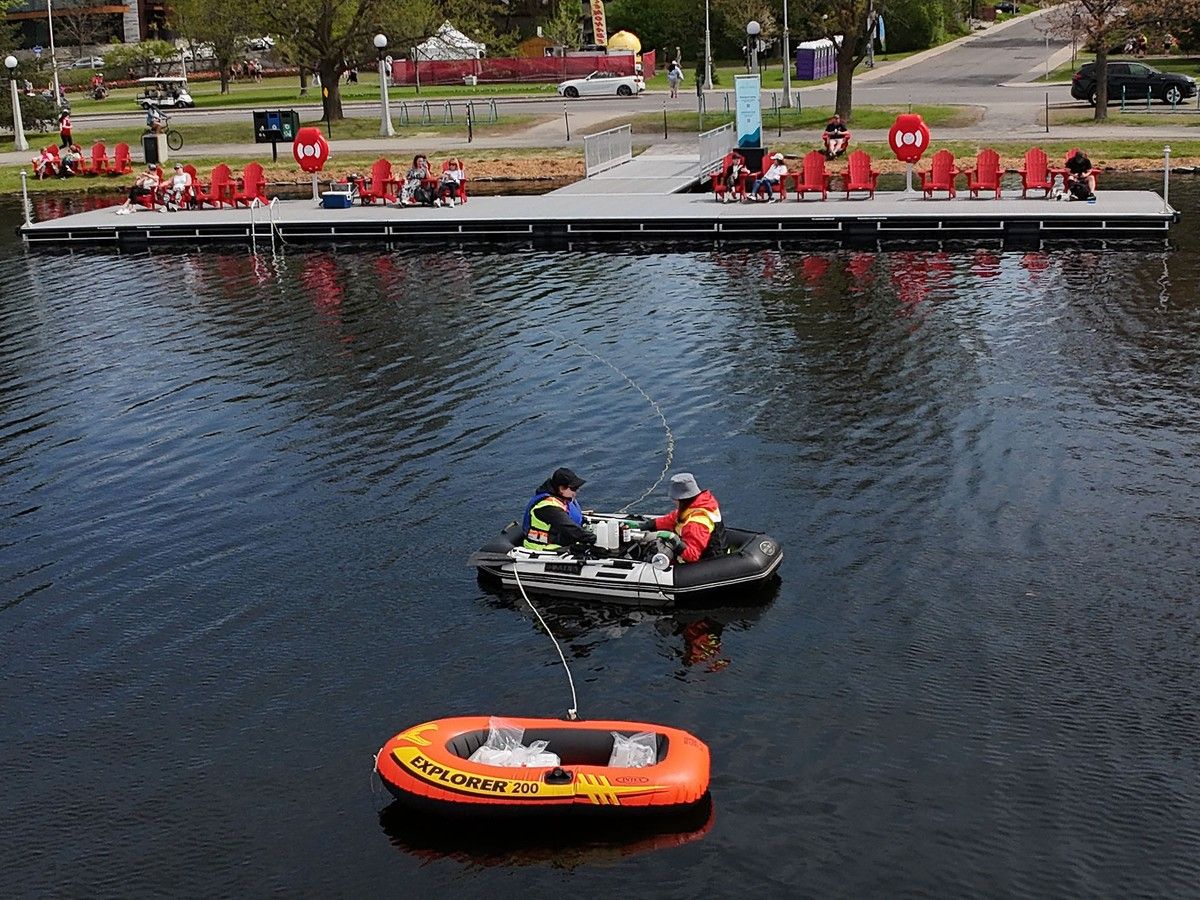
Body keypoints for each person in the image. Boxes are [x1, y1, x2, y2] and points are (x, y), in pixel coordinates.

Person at [635, 472, 726, 564]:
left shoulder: (695, 524)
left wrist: (673, 540)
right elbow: (672, 518)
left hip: (705, 561)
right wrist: (647, 525)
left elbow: (692, 555)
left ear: (681, 500)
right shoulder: (701, 504)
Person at [522, 467, 594, 552]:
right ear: (561, 488)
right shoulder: (548, 507)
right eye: (573, 488)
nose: (576, 491)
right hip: (541, 548)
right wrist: (593, 539)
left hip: (557, 540)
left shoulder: (559, 498)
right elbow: (569, 528)